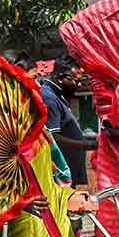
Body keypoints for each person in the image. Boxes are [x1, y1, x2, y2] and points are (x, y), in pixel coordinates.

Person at [40, 58, 96, 188]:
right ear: (61, 78)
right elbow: (53, 138)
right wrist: (87, 144)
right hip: (63, 172)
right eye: (74, 80)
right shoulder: (49, 98)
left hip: (72, 167)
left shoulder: (58, 95)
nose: (79, 85)